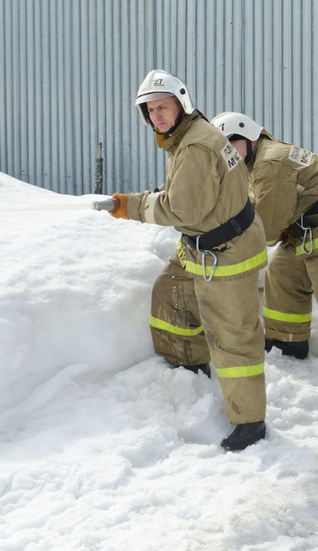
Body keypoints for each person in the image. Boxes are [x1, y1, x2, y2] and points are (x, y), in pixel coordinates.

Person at [107, 71, 269, 452]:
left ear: (182, 103)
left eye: (163, 107)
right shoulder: (193, 137)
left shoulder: (195, 146)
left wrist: (131, 205)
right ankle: (190, 365)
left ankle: (250, 422)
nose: (157, 116)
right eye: (150, 110)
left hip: (225, 253)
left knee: (234, 337)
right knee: (171, 291)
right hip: (202, 243)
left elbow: (182, 207)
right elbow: (191, 190)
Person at [210, 111, 318, 393]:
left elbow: (269, 225)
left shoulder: (269, 163)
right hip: (306, 228)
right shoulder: (257, 160)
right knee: (282, 273)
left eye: (232, 145)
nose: (230, 155)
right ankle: (287, 339)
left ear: (250, 137)